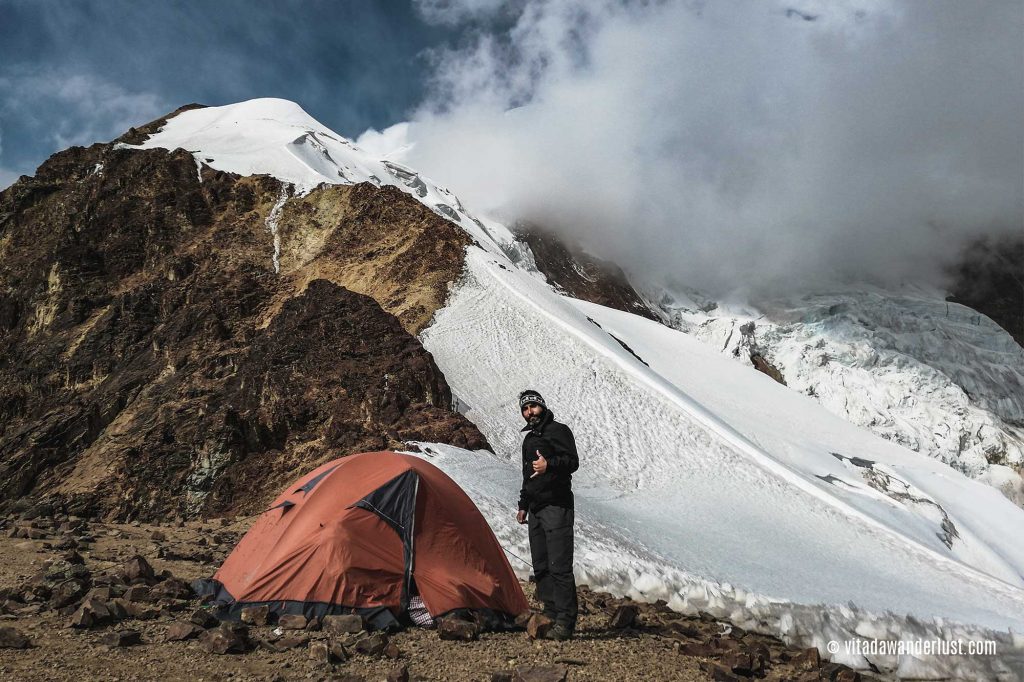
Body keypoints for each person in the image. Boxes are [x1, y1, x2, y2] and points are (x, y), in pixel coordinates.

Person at [515, 389, 579, 640]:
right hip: (536, 509)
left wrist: (549, 464)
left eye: (532, 407)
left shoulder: (559, 431)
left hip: (557, 507)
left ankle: (565, 621)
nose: (529, 412)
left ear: (542, 406)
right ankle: (550, 612)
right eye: (525, 409)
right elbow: (526, 476)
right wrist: (523, 504)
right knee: (541, 564)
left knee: (560, 566)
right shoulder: (529, 440)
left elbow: (572, 461)